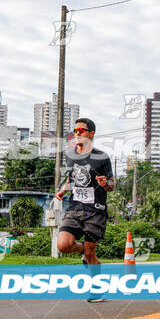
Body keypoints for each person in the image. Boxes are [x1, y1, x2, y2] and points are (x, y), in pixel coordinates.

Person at [56, 118, 114, 302]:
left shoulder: (102, 157)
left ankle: (98, 289)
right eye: (75, 130)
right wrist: (64, 189)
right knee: (63, 245)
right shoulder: (71, 155)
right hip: (74, 208)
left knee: (91, 254)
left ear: (91, 133)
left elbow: (112, 184)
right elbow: (71, 178)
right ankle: (83, 252)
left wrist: (105, 184)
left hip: (95, 210)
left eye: (81, 130)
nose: (77, 133)